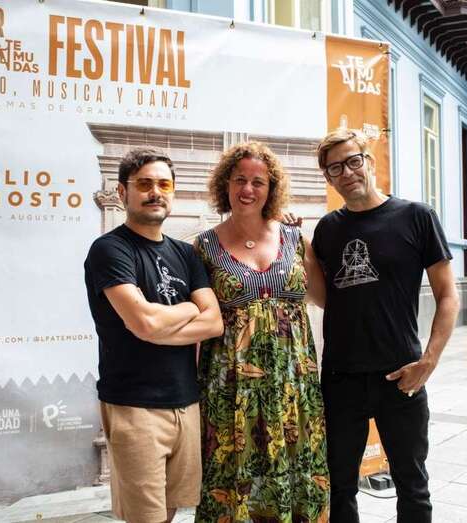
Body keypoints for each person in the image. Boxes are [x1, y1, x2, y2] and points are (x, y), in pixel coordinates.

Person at [311, 129, 460, 522]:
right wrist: (299, 248)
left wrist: (428, 361)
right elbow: (328, 297)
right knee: (339, 485)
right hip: (341, 378)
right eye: (334, 168)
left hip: (401, 375)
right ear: (329, 178)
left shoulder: (417, 217)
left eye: (353, 161)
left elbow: (448, 294)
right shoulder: (327, 229)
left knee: (412, 484)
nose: (346, 173)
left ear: (369, 160)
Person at [84, 147, 224, 523]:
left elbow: (215, 324)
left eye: (164, 184)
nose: (155, 192)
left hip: (186, 400)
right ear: (121, 192)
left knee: (171, 508)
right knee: (145, 517)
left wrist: (159, 324)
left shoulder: (186, 253)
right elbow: (143, 323)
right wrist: (189, 308)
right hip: (134, 403)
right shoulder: (110, 250)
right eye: (144, 184)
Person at [194, 142, 330, 521]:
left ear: (272, 190)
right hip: (232, 388)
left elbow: (324, 298)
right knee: (234, 477)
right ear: (225, 184)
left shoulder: (296, 240)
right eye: (240, 180)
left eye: (259, 182)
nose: (248, 189)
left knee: (298, 470)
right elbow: (199, 320)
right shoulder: (204, 247)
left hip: (294, 385)